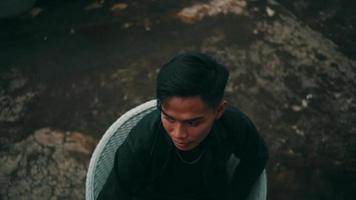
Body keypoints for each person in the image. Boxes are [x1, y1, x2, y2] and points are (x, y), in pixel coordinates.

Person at [98, 52, 269, 200]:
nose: (179, 134)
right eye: (169, 118)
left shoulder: (233, 125)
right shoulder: (141, 145)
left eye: (193, 122)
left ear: (218, 110)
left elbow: (256, 157)